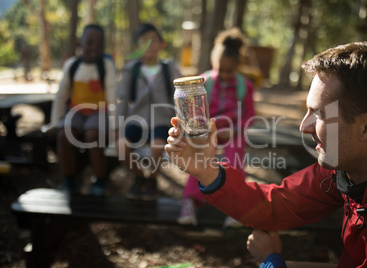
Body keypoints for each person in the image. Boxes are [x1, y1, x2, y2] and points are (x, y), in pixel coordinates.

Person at [165, 41, 367, 267]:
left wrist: (271, 262)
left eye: (318, 114)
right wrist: (205, 169)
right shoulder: (343, 172)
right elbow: (276, 205)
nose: (303, 126)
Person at [177, 28, 255, 227]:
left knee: (235, 155)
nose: (225, 75)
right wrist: (202, 130)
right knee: (200, 157)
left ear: (237, 66)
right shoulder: (204, 83)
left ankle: (236, 204)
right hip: (208, 130)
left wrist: (236, 129)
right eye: (221, 70)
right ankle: (190, 202)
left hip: (232, 131)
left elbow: (250, 114)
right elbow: (196, 112)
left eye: (230, 71)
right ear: (214, 63)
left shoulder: (244, 85)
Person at [116, 23, 181, 201]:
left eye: (153, 41)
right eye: (144, 42)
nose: (149, 46)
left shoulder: (169, 69)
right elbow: (123, 99)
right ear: (136, 47)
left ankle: (152, 178)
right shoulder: (131, 70)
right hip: (136, 120)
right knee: (121, 147)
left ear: (162, 45)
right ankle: (138, 177)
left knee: (158, 147)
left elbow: (179, 97)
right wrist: (117, 126)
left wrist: (182, 124)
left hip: (161, 120)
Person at [50, 24, 117, 196]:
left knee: (92, 135)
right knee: (64, 135)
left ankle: (100, 179)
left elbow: (112, 97)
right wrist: (56, 121)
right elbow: (62, 95)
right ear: (81, 43)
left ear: (103, 47)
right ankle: (70, 180)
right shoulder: (72, 65)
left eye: (98, 44)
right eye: (90, 42)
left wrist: (115, 126)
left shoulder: (106, 66)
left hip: (98, 111)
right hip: (76, 111)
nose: (93, 47)